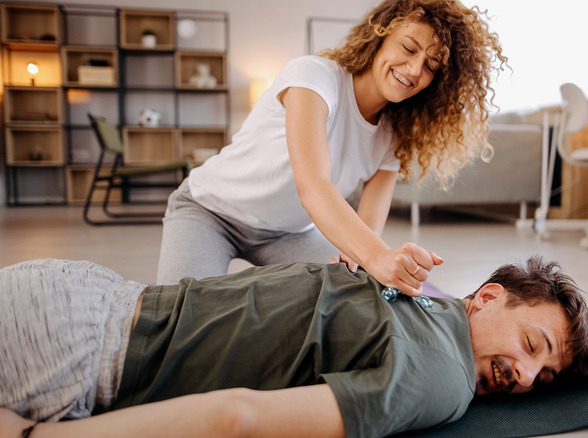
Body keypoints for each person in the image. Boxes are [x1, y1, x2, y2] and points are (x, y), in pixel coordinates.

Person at [0, 256, 588, 438]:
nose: (523, 377)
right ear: (487, 298)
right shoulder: (442, 376)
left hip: (79, 290)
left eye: (542, 379)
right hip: (76, 355)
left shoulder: (415, 294)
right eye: (532, 345)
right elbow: (237, 418)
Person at [156, 0, 506, 297]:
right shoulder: (314, 77)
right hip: (210, 211)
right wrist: (376, 256)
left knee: (358, 288)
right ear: (380, 36)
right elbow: (313, 185)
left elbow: (367, 235)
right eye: (408, 48)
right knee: (179, 319)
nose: (414, 70)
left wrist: (363, 260)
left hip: (286, 234)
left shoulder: (393, 137)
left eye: (431, 66)